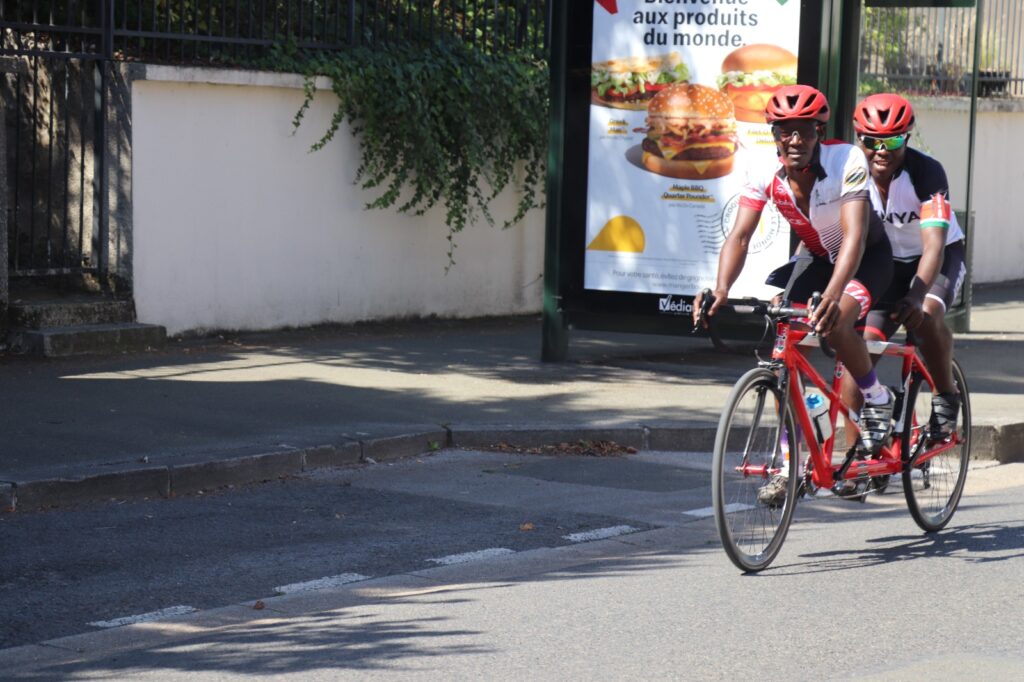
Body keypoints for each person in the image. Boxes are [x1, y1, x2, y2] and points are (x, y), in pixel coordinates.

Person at [693, 84, 895, 506]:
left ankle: (877, 396)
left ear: (820, 131)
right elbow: (741, 235)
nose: (795, 140)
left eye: (805, 130)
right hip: (819, 257)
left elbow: (855, 237)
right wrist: (722, 289)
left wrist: (834, 295)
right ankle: (793, 465)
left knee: (836, 318)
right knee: (782, 343)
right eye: (785, 131)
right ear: (774, 134)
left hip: (866, 257)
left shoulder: (847, 160)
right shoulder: (762, 170)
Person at [842, 93, 966, 439]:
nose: (882, 150)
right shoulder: (849, 174)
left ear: (907, 139)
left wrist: (915, 295)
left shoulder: (927, 172)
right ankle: (856, 465)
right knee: (860, 353)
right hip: (886, 265)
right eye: (871, 141)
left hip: (937, 258)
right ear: (858, 139)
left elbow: (934, 246)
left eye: (893, 141)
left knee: (924, 314)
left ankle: (945, 395)